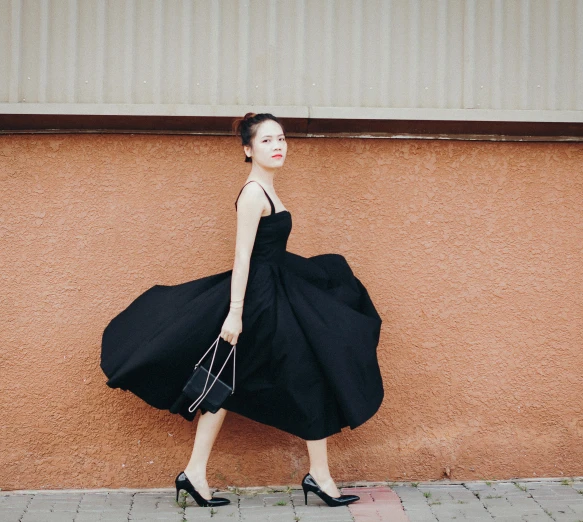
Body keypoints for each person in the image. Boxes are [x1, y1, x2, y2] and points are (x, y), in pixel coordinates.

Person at [100, 112, 384, 508]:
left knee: (230, 380)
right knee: (279, 376)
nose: (278, 145)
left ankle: (201, 474)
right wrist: (235, 313)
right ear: (248, 150)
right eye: (266, 141)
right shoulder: (253, 193)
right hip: (261, 300)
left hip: (278, 289)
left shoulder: (268, 188)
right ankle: (307, 477)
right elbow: (242, 255)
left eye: (281, 138)